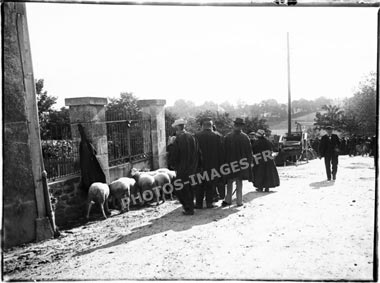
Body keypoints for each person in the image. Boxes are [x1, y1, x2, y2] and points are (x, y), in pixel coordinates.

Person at [167, 118, 201, 215]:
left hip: (182, 168)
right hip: (192, 168)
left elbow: (174, 154)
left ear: (178, 127)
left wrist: (170, 145)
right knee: (190, 187)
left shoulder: (178, 139)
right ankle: (190, 206)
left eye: (175, 128)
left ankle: (188, 208)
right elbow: (198, 152)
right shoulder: (192, 137)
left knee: (180, 188)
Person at [221, 118, 253, 207]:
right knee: (239, 182)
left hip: (230, 163)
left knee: (229, 182)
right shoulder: (245, 137)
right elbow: (249, 152)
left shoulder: (228, 137)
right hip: (241, 164)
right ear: (241, 126)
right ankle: (239, 201)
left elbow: (224, 152)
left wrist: (223, 164)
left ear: (234, 125)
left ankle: (228, 200)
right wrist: (249, 163)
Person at [195, 118, 224, 209]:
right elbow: (221, 153)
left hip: (199, 165)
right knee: (211, 184)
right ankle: (209, 203)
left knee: (199, 185)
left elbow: (193, 152)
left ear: (202, 126)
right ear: (211, 126)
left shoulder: (196, 136)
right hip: (213, 165)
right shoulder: (217, 136)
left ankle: (199, 204)